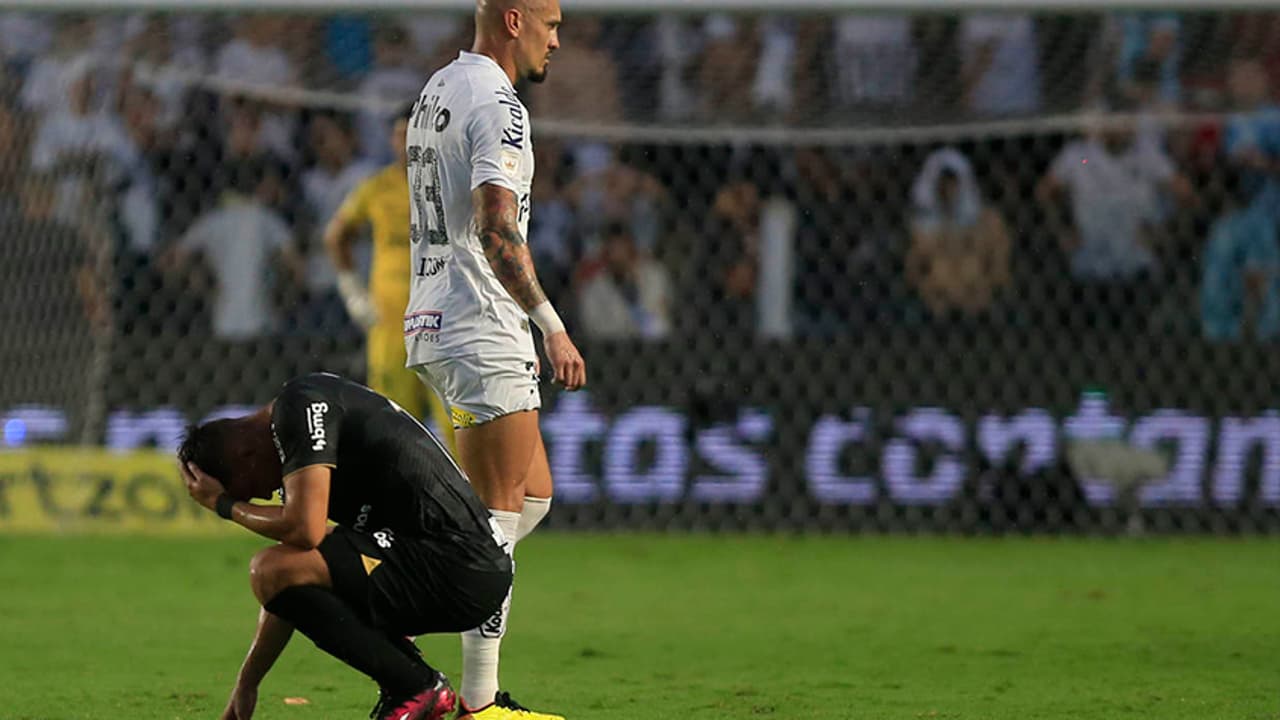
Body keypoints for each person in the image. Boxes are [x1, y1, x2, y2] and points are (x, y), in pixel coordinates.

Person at [404, 1, 584, 718]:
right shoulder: (499, 103)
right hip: (480, 323)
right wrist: (551, 325)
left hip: (438, 315)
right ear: (515, 20)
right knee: (496, 525)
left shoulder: (439, 87)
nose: (558, 40)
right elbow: (495, 227)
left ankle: (407, 579)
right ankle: (477, 705)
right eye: (552, 23)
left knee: (529, 498)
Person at [178, 372, 513, 720]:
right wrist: (248, 683)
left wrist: (226, 506)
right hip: (448, 563)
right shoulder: (302, 427)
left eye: (249, 490)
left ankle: (414, 686)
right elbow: (287, 581)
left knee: (270, 565)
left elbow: (304, 532)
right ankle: (410, 685)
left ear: (244, 454)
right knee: (279, 567)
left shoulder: (299, 407)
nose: (263, 496)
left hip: (457, 563)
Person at [325, 105, 456, 451]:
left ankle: (468, 502)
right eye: (399, 135)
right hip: (391, 325)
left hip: (445, 325)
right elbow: (336, 236)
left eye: (412, 135)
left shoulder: (449, 185)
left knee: (458, 429)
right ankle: (395, 503)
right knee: (390, 430)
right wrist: (352, 292)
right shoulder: (376, 188)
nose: (405, 143)